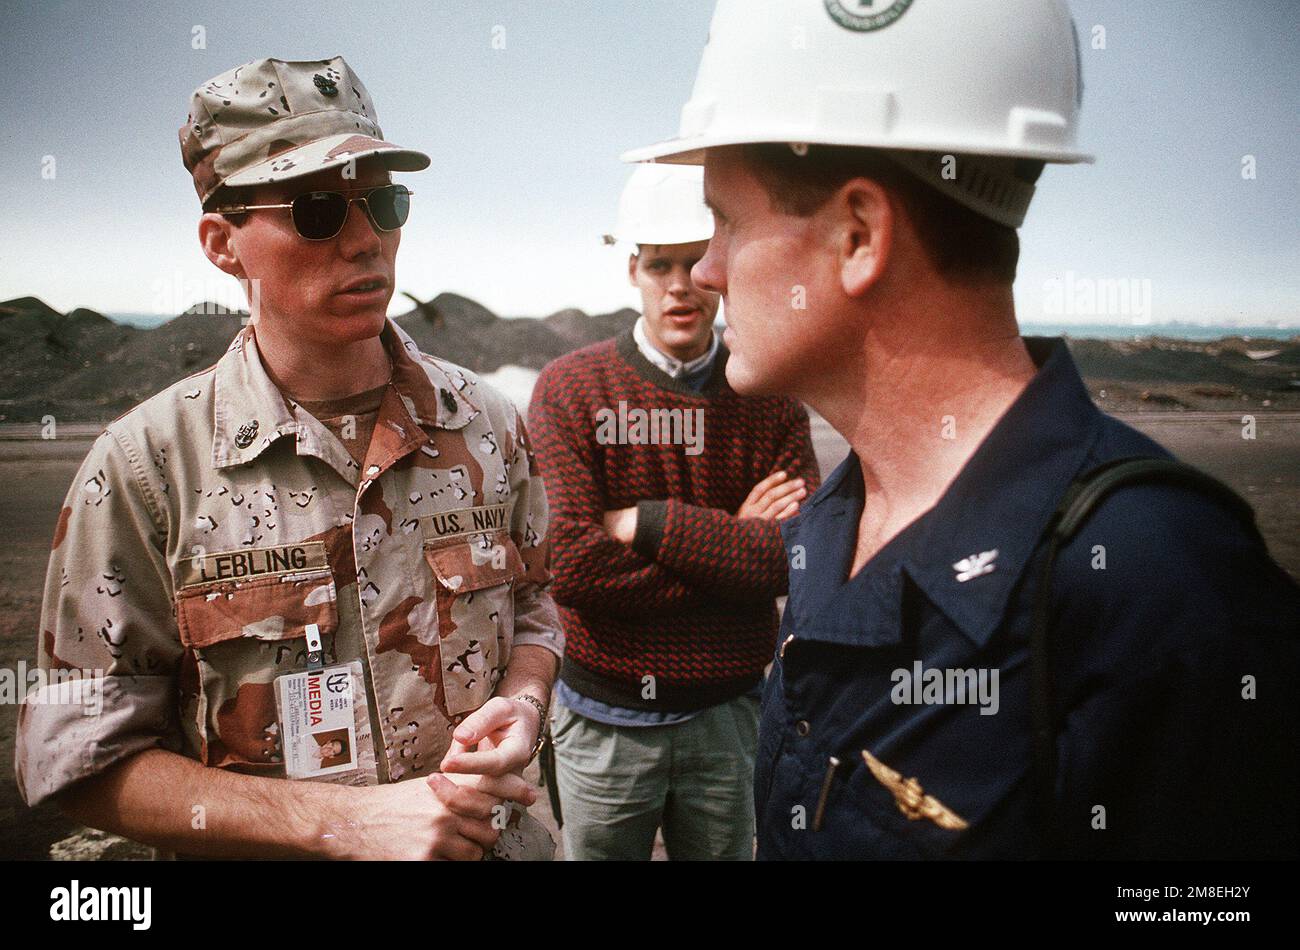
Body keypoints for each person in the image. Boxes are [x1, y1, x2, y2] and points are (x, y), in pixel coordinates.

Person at [623, 0, 1299, 858]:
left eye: (726, 220)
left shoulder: (1166, 590)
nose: (708, 270)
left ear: (859, 235)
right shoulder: (837, 515)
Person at [14, 56, 563, 861]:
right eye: (316, 210)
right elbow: (78, 760)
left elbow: (536, 609)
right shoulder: (147, 469)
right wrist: (346, 825)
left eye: (384, 201)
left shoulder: (487, 424)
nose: (366, 238)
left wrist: (522, 698)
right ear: (221, 243)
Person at [528, 163, 820, 860]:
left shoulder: (772, 395)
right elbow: (570, 567)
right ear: (633, 269)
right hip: (603, 720)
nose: (680, 284)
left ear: (721, 265)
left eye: (694, 262)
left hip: (730, 715)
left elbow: (795, 555)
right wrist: (734, 544)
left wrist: (647, 523)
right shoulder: (571, 390)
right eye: (661, 264)